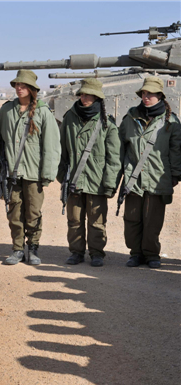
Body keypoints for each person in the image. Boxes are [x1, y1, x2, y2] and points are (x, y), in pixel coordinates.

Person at [0, 70, 60, 265]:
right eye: (17, 85)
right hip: (11, 172)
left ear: (32, 89)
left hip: (34, 173)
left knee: (33, 212)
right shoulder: (6, 110)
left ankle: (33, 248)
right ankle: (18, 249)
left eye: (23, 85)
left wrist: (47, 173)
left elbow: (52, 146)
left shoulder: (43, 111)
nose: (19, 88)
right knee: (14, 211)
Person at [57, 79, 122, 267]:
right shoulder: (70, 117)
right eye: (82, 94)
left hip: (97, 180)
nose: (84, 97)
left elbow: (114, 157)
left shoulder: (107, 123)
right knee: (74, 220)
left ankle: (97, 253)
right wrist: (62, 176)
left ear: (97, 97)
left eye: (88, 94)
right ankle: (76, 252)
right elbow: (62, 150)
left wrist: (110, 184)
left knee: (97, 221)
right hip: (73, 179)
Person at [119, 76, 181, 268]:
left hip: (157, 177)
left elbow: (176, 150)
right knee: (132, 219)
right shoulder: (130, 118)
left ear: (160, 95)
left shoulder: (170, 121)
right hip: (133, 178)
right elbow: (121, 147)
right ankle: (135, 253)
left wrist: (175, 175)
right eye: (144, 93)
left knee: (153, 220)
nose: (146, 97)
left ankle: (152, 254)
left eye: (151, 94)